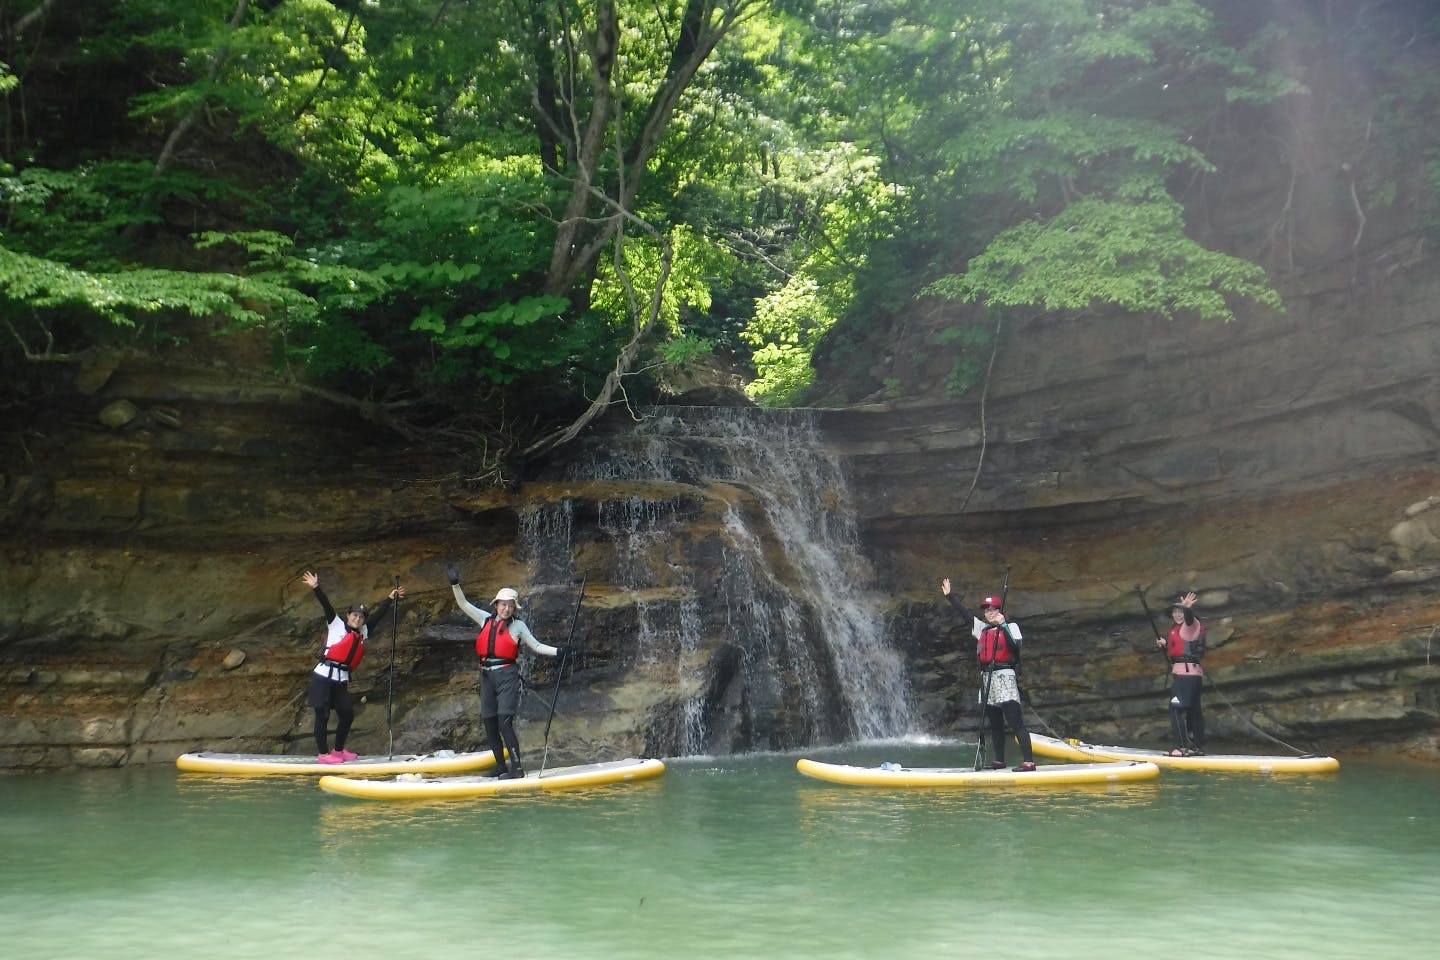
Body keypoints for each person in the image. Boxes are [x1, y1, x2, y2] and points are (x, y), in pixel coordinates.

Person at [445, 565, 567, 780]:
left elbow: (536, 646)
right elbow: (463, 603)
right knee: (490, 722)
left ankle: (517, 769)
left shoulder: (518, 626)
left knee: (504, 721)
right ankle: (501, 766)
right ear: (496, 605)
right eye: (503, 605)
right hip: (486, 676)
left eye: (511, 606)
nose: (506, 609)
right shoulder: (485, 619)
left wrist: (559, 652)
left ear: (514, 608)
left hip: (506, 675)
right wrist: (455, 584)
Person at [300, 570, 405, 764]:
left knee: (347, 715)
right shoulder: (335, 623)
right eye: (355, 615)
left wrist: (390, 598)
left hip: (340, 681)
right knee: (322, 715)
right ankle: (323, 755)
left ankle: (338, 751)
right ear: (348, 615)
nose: (358, 619)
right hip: (323, 678)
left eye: (361, 617)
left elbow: (379, 616)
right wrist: (316, 587)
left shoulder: (363, 632)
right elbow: (326, 605)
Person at [941, 578, 1035, 772]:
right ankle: (999, 760)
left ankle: (1029, 762)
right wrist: (950, 596)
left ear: (1000, 611)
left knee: (1015, 721)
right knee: (995, 724)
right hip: (987, 679)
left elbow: (1015, 647)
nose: (989, 613)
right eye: (987, 610)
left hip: (1004, 676)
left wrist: (1004, 625)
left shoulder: (1012, 627)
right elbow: (965, 615)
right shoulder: (982, 629)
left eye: (993, 610)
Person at [1158, 591, 1206, 756]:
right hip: (1193, 675)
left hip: (1185, 675)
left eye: (1181, 612)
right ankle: (1196, 747)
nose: (1178, 615)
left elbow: (1190, 621)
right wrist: (1166, 644)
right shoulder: (1178, 629)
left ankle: (1182, 747)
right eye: (1175, 612)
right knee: (1194, 710)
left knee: (1175, 709)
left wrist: (1187, 609)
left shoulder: (1190, 624)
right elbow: (1183, 646)